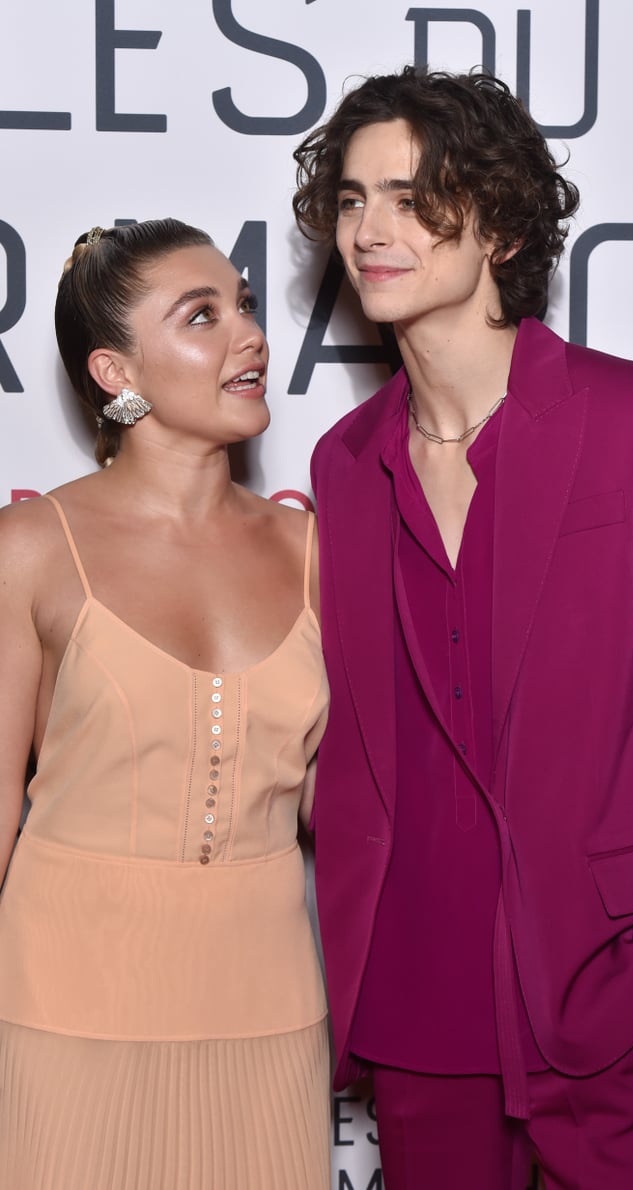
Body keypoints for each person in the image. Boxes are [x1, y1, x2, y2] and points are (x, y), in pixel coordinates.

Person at [293, 67, 633, 1189]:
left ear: (497, 220)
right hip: (413, 1004)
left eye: (411, 195)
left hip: (600, 996)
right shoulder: (344, 467)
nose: (372, 228)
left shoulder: (628, 419)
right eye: (353, 200)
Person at [0, 219, 330, 1189]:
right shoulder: (30, 545)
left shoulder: (315, 552)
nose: (251, 336)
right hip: (63, 1010)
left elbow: (346, 819)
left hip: (268, 1014)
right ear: (115, 369)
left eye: (246, 306)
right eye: (202, 315)